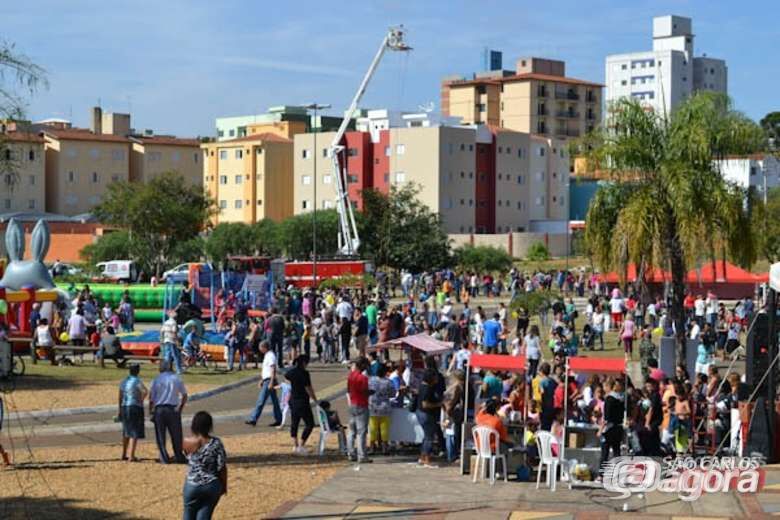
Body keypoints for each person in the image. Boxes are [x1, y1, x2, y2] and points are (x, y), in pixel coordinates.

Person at [182, 411, 227, 520]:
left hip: (192, 484)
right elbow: (221, 467)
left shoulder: (187, 442)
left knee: (188, 512)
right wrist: (224, 485)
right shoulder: (216, 443)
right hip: (211, 484)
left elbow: (187, 456)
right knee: (205, 514)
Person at [149, 360, 188, 464]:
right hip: (173, 409)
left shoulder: (156, 379)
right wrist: (180, 408)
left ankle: (163, 456)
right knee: (176, 434)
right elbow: (184, 395)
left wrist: (151, 411)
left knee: (160, 435)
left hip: (159, 409)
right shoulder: (176, 378)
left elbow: (151, 398)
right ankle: (179, 455)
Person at [285, 354, 318, 454]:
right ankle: (301, 444)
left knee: (294, 423)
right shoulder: (305, 373)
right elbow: (308, 388)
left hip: (293, 400)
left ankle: (295, 445)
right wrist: (315, 399)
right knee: (309, 423)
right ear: (304, 363)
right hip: (302, 401)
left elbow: (286, 377)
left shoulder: (291, 372)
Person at [245, 341, 283, 427]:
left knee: (261, 400)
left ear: (264, 347)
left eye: (260, 348)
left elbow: (273, 369)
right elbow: (266, 370)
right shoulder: (267, 355)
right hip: (267, 379)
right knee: (275, 401)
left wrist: (271, 382)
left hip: (269, 380)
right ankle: (279, 418)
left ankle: (253, 419)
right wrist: (262, 380)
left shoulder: (270, 356)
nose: (260, 350)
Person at [118, 363, 147, 462]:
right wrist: (140, 400)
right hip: (134, 406)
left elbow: (120, 396)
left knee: (126, 431)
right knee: (134, 431)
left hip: (125, 406)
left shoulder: (124, 381)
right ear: (138, 371)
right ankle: (131, 455)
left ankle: (123, 453)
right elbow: (144, 391)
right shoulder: (137, 381)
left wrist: (120, 409)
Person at [415, 367, 442, 467]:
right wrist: (438, 404)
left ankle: (422, 457)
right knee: (429, 437)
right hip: (426, 414)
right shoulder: (427, 389)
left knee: (427, 436)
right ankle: (426, 458)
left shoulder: (422, 386)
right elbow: (425, 404)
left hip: (420, 413)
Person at [346, 357, 372, 463]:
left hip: (352, 404)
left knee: (352, 431)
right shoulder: (363, 378)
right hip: (362, 404)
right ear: (363, 366)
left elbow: (348, 389)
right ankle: (362, 455)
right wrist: (371, 392)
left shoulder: (350, 376)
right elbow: (365, 392)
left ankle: (351, 453)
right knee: (361, 431)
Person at [598, 379, 624, 476]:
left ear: (609, 387)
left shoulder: (609, 399)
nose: (604, 388)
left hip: (609, 429)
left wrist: (601, 430)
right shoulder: (621, 398)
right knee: (616, 452)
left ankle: (601, 474)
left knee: (605, 452)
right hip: (618, 428)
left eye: (605, 386)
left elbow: (606, 417)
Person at [368, 364, 394, 455]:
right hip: (385, 407)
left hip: (372, 407)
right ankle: (384, 448)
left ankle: (372, 447)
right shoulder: (389, 382)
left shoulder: (370, 380)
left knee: (373, 428)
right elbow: (392, 394)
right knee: (384, 429)